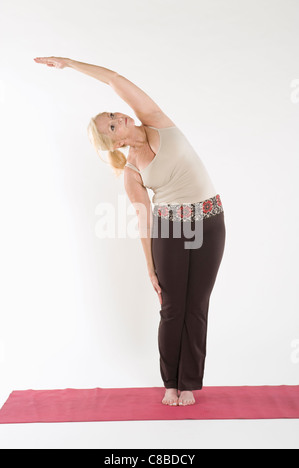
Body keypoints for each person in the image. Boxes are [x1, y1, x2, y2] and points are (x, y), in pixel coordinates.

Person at [34, 57, 226, 406]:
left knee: (197, 305)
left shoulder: (157, 122)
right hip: (169, 231)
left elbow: (114, 79)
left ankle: (190, 384)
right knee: (172, 307)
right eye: (111, 126)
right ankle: (171, 383)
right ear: (115, 144)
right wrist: (150, 267)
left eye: (112, 115)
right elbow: (145, 219)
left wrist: (69, 64)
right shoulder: (131, 171)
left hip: (210, 223)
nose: (118, 118)